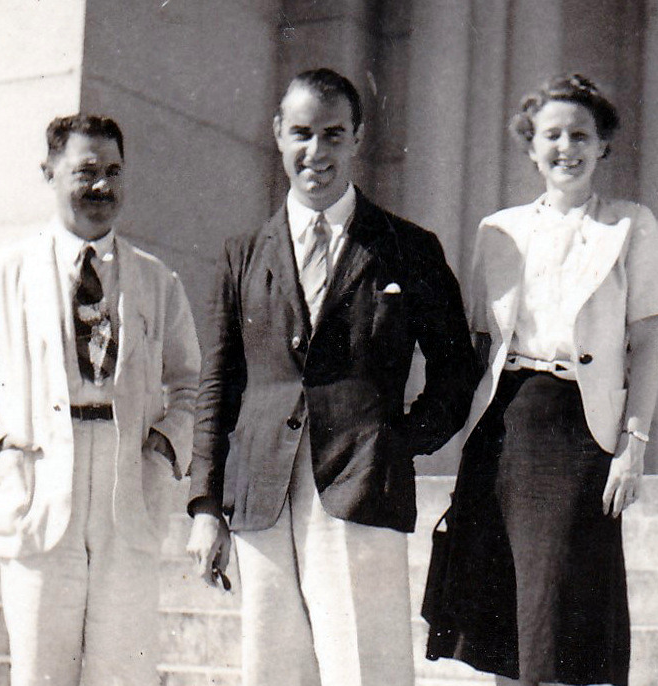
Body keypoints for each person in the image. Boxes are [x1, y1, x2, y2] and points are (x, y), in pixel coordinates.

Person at [185, 67, 478, 686]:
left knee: (364, 670)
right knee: (272, 672)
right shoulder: (243, 254)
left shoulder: (408, 247)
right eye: (301, 133)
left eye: (333, 134)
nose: (316, 151)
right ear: (277, 134)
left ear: (357, 138)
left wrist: (397, 443)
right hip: (262, 493)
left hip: (360, 486)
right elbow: (218, 386)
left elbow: (457, 370)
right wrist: (207, 505)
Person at [425, 73, 658, 686]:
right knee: (504, 618)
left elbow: (645, 344)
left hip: (580, 431)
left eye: (581, 135)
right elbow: (481, 341)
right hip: (504, 426)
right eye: (552, 135)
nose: (567, 148)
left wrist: (633, 447)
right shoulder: (497, 230)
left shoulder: (632, 225)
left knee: (559, 615)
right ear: (530, 147)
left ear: (603, 145)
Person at [0, 114, 201, 685]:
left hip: (127, 495)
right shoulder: (3, 273)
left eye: (113, 171)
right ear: (49, 173)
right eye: (86, 170)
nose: (101, 186)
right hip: (38, 495)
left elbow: (190, 382)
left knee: (124, 675)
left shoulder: (156, 280)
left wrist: (167, 448)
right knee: (40, 674)